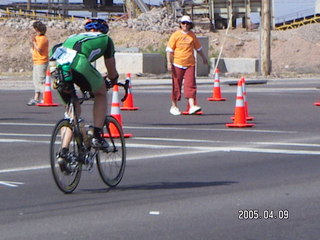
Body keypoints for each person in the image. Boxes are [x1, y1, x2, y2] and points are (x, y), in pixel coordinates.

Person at [50, 18, 119, 160]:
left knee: (71, 112)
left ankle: (63, 152)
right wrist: (113, 79)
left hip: (60, 68)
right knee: (100, 93)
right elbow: (111, 68)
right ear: (104, 30)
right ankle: (97, 136)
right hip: (79, 63)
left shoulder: (73, 36)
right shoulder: (105, 39)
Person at [166, 15, 208, 115]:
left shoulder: (192, 35)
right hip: (178, 63)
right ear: (180, 24)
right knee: (176, 85)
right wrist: (169, 62)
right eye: (183, 23)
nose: (185, 25)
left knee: (190, 84)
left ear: (190, 25)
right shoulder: (175, 35)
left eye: (187, 23)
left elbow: (198, 48)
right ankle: (174, 106)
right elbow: (169, 50)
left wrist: (204, 58)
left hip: (190, 63)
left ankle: (192, 106)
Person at [27, 21, 49, 106]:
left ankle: (45, 97)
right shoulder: (37, 38)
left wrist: (34, 42)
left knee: (41, 80)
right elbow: (34, 49)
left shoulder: (43, 38)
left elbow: (39, 49)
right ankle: (36, 98)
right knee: (35, 80)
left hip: (41, 61)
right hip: (36, 61)